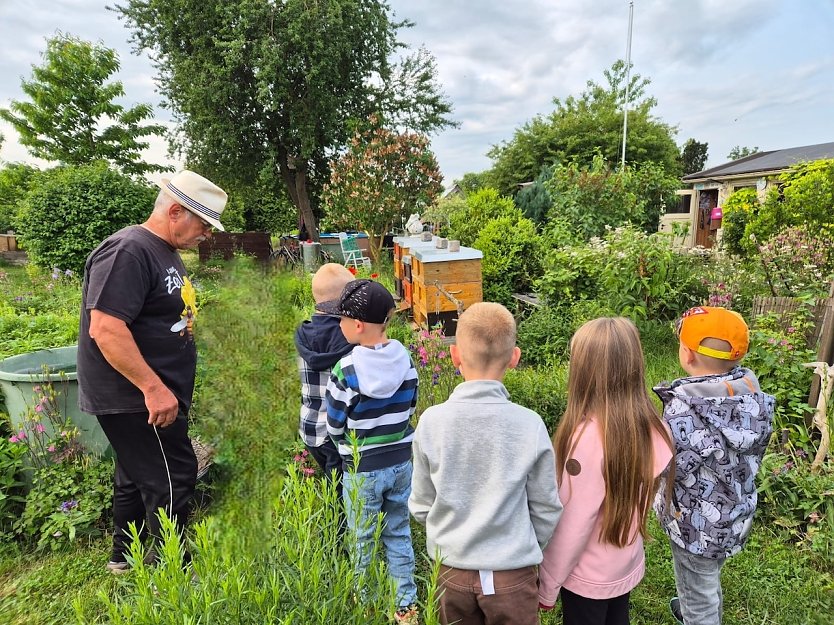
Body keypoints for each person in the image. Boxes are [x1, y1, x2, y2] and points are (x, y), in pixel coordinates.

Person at [77, 170, 227, 573]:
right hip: (137, 396)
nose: (206, 235)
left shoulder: (164, 250)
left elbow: (152, 312)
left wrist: (184, 323)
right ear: (176, 211)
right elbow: (106, 328)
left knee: (134, 473)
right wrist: (153, 387)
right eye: (204, 224)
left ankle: (123, 558)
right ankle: (173, 573)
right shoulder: (128, 249)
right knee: (173, 477)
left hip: (153, 392)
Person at [409, 302, 563, 625]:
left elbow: (421, 506)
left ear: (454, 357)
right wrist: (523, 543)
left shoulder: (431, 422)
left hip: (450, 571)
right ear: (515, 358)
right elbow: (547, 507)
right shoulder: (530, 425)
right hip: (513, 574)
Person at [538, 317, 674, 625]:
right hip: (623, 565)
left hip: (586, 578)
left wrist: (547, 585)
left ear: (583, 373)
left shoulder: (586, 441)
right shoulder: (653, 426)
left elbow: (573, 526)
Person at [653, 306, 775, 625]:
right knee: (708, 579)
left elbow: (666, 466)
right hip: (733, 517)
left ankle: (701, 615)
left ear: (688, 355)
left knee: (698, 593)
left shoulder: (684, 411)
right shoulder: (752, 399)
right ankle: (705, 608)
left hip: (695, 526)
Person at [322, 279, 419, 623]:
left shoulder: (346, 370)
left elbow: (334, 423)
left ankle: (366, 603)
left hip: (361, 468)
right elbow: (410, 408)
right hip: (400, 463)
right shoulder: (405, 358)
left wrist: (345, 447)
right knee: (397, 531)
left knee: (362, 537)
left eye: (341, 320)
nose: (339, 325)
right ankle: (405, 605)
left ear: (358, 325)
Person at [294, 263, 356, 490]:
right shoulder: (348, 335)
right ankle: (340, 524)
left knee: (333, 482)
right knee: (343, 490)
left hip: (309, 424)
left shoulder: (302, 332)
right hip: (335, 430)